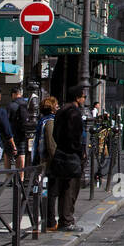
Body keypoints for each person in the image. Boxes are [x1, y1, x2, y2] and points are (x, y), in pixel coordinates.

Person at [50, 84, 87, 231]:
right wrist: (79, 151)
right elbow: (75, 136)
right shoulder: (74, 113)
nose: (85, 99)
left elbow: (55, 133)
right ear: (77, 98)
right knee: (70, 189)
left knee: (63, 186)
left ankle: (64, 218)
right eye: (84, 96)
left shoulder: (61, 111)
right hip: (71, 155)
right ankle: (67, 220)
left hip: (60, 152)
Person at [36, 96, 59, 231]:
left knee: (45, 191)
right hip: (48, 162)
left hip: (42, 160)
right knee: (51, 192)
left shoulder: (42, 121)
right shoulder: (50, 122)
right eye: (56, 105)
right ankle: (50, 221)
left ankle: (46, 219)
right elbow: (51, 144)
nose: (57, 107)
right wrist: (55, 160)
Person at [6, 85, 29, 172]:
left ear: (14, 94)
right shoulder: (26, 104)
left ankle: (8, 178)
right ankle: (21, 178)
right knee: (22, 154)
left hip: (12, 133)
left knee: (7, 154)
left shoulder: (11, 105)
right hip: (23, 133)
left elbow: (6, 121)